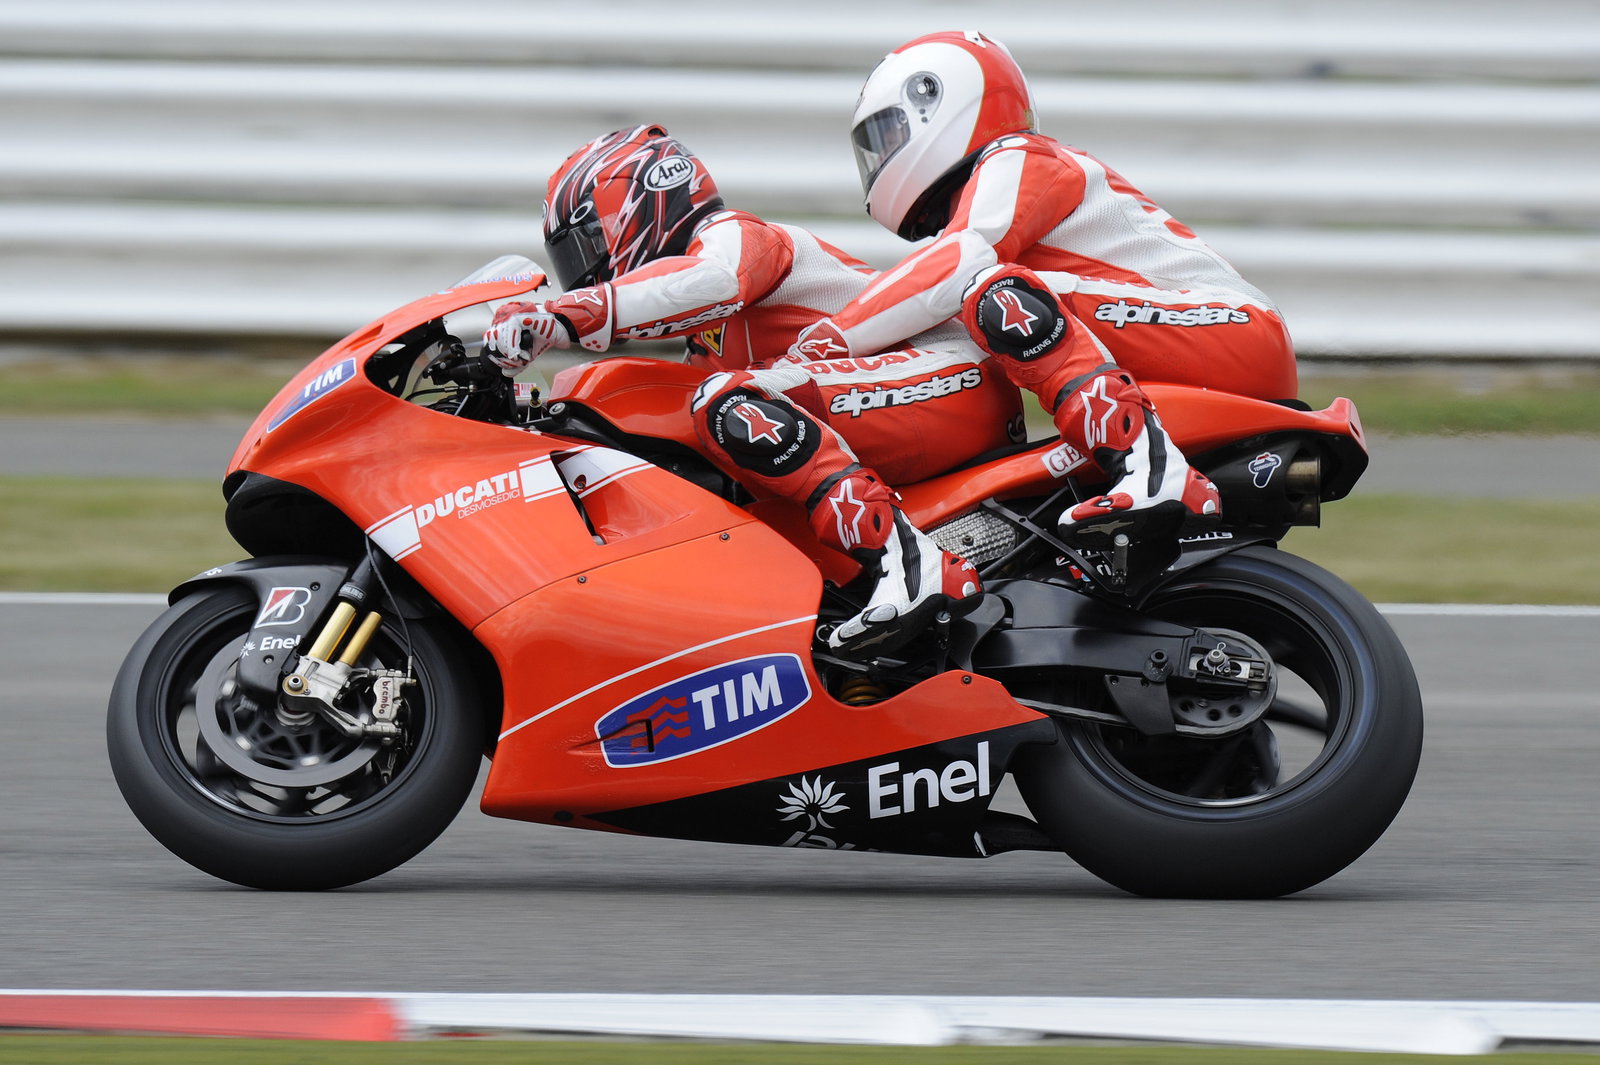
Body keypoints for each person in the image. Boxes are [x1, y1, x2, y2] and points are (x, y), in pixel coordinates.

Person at [483, 124, 1025, 655]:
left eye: (584, 246)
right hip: (898, 402)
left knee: (727, 404)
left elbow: (711, 283)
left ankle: (910, 564)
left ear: (637, 202)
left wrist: (563, 315)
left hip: (950, 374)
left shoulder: (735, 236)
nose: (583, 271)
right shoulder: (706, 343)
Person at [790, 30, 1299, 545]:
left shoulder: (1021, 156)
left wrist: (823, 344)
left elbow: (959, 262)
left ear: (935, 103)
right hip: (1201, 335)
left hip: (1234, 327)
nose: (879, 159)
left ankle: (1152, 470)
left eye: (885, 137)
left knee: (993, 290)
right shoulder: (996, 186)